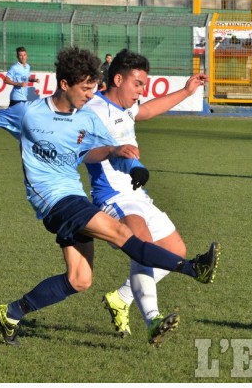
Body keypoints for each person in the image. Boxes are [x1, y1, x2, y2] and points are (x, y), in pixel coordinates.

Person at [0, 46, 220, 348]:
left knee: (79, 280)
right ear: (65, 85)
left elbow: (109, 150)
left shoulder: (86, 120)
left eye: (93, 87)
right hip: (52, 201)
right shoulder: (30, 112)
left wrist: (134, 166)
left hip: (74, 197)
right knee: (125, 235)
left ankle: (13, 313)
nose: (90, 94)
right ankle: (192, 268)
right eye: (85, 88)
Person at [84, 49, 209, 346]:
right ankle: (153, 319)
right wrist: (113, 152)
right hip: (112, 195)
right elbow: (82, 153)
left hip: (137, 193)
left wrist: (186, 90)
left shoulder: (127, 107)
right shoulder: (93, 110)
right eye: (138, 84)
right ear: (118, 79)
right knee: (144, 246)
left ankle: (121, 297)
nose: (143, 90)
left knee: (175, 250)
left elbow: (148, 110)